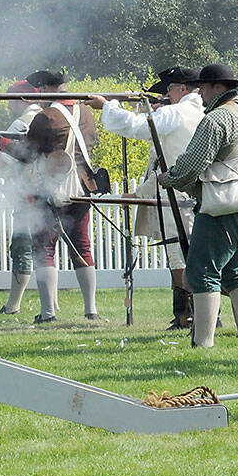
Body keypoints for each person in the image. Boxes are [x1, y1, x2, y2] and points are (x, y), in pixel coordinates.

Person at [158, 63, 238, 347]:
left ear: (217, 88)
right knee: (237, 270)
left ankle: (202, 342)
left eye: (204, 88)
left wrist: (170, 178)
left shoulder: (217, 119)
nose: (201, 94)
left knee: (200, 271)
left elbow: (192, 165)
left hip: (226, 206)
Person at [87, 66, 203, 329]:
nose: (166, 97)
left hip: (179, 198)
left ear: (182, 89)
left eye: (169, 91)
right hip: (190, 196)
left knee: (180, 258)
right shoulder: (198, 111)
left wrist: (107, 106)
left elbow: (137, 127)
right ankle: (190, 315)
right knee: (185, 256)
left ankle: (192, 315)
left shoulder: (176, 113)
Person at [6, 69, 101, 323]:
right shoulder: (87, 113)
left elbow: (27, 153)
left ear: (47, 90)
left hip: (50, 187)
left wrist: (0, 143)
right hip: (82, 187)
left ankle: (48, 313)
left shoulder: (45, 117)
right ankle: (90, 310)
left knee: (44, 248)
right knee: (82, 245)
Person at [0, 79, 43, 315]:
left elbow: (5, 158)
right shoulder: (45, 115)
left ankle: (13, 305)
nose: (9, 106)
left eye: (11, 100)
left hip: (28, 194)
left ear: (22, 99)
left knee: (21, 247)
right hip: (47, 190)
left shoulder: (20, 122)